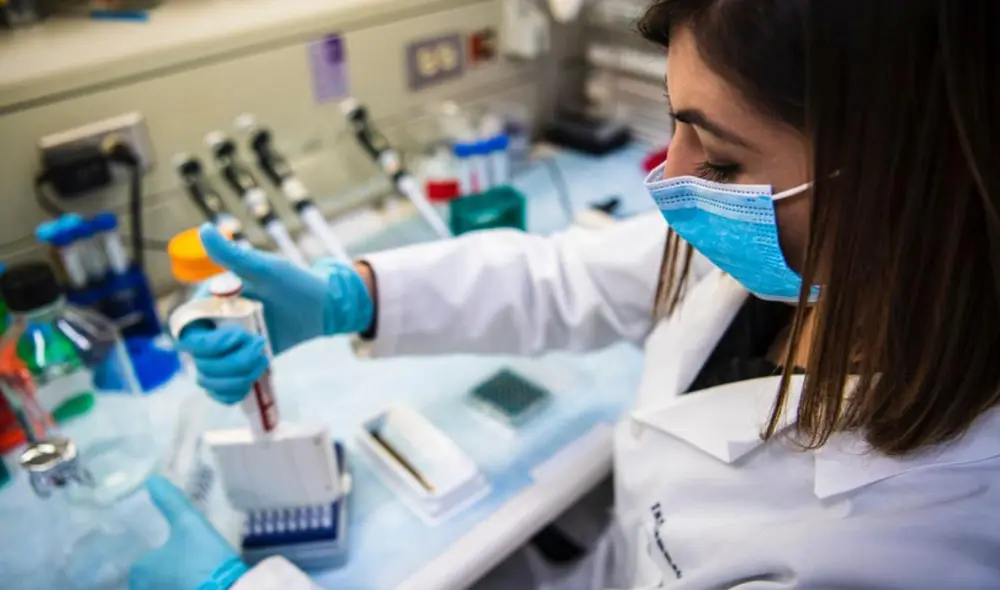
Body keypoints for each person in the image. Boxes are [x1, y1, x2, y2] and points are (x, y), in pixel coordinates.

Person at [130, 0, 1000, 588]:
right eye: (677, 125)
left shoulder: (905, 546)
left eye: (723, 158)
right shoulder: (814, 251)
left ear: (910, 176)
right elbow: (566, 276)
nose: (672, 176)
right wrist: (350, 294)